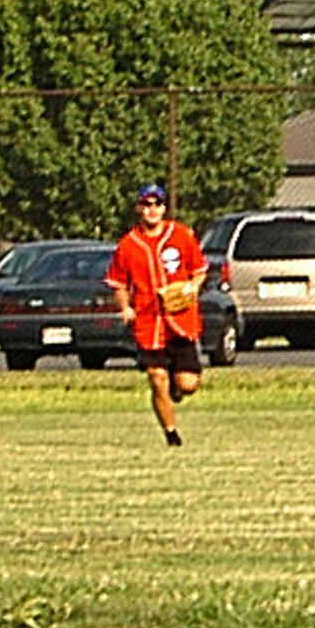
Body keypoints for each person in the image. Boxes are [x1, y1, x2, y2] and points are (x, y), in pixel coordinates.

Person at [106, 181, 207, 447]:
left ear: (164, 208)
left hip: (181, 321)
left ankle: (176, 389)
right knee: (156, 376)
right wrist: (125, 307)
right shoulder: (128, 244)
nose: (152, 209)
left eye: (157, 204)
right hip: (149, 323)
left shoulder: (181, 235)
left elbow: (199, 270)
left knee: (188, 384)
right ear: (139, 208)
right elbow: (117, 281)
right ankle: (171, 434)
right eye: (146, 204)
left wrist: (190, 289)